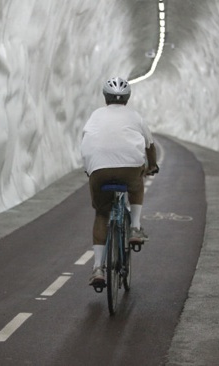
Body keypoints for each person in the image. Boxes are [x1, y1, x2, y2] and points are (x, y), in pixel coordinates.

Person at [80, 76, 158, 287]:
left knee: (101, 213)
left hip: (99, 168)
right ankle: (134, 227)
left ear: (105, 97)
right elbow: (150, 145)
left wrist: (90, 168)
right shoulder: (134, 116)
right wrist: (152, 166)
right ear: (127, 98)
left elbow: (86, 140)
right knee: (137, 183)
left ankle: (98, 268)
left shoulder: (95, 115)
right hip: (129, 168)